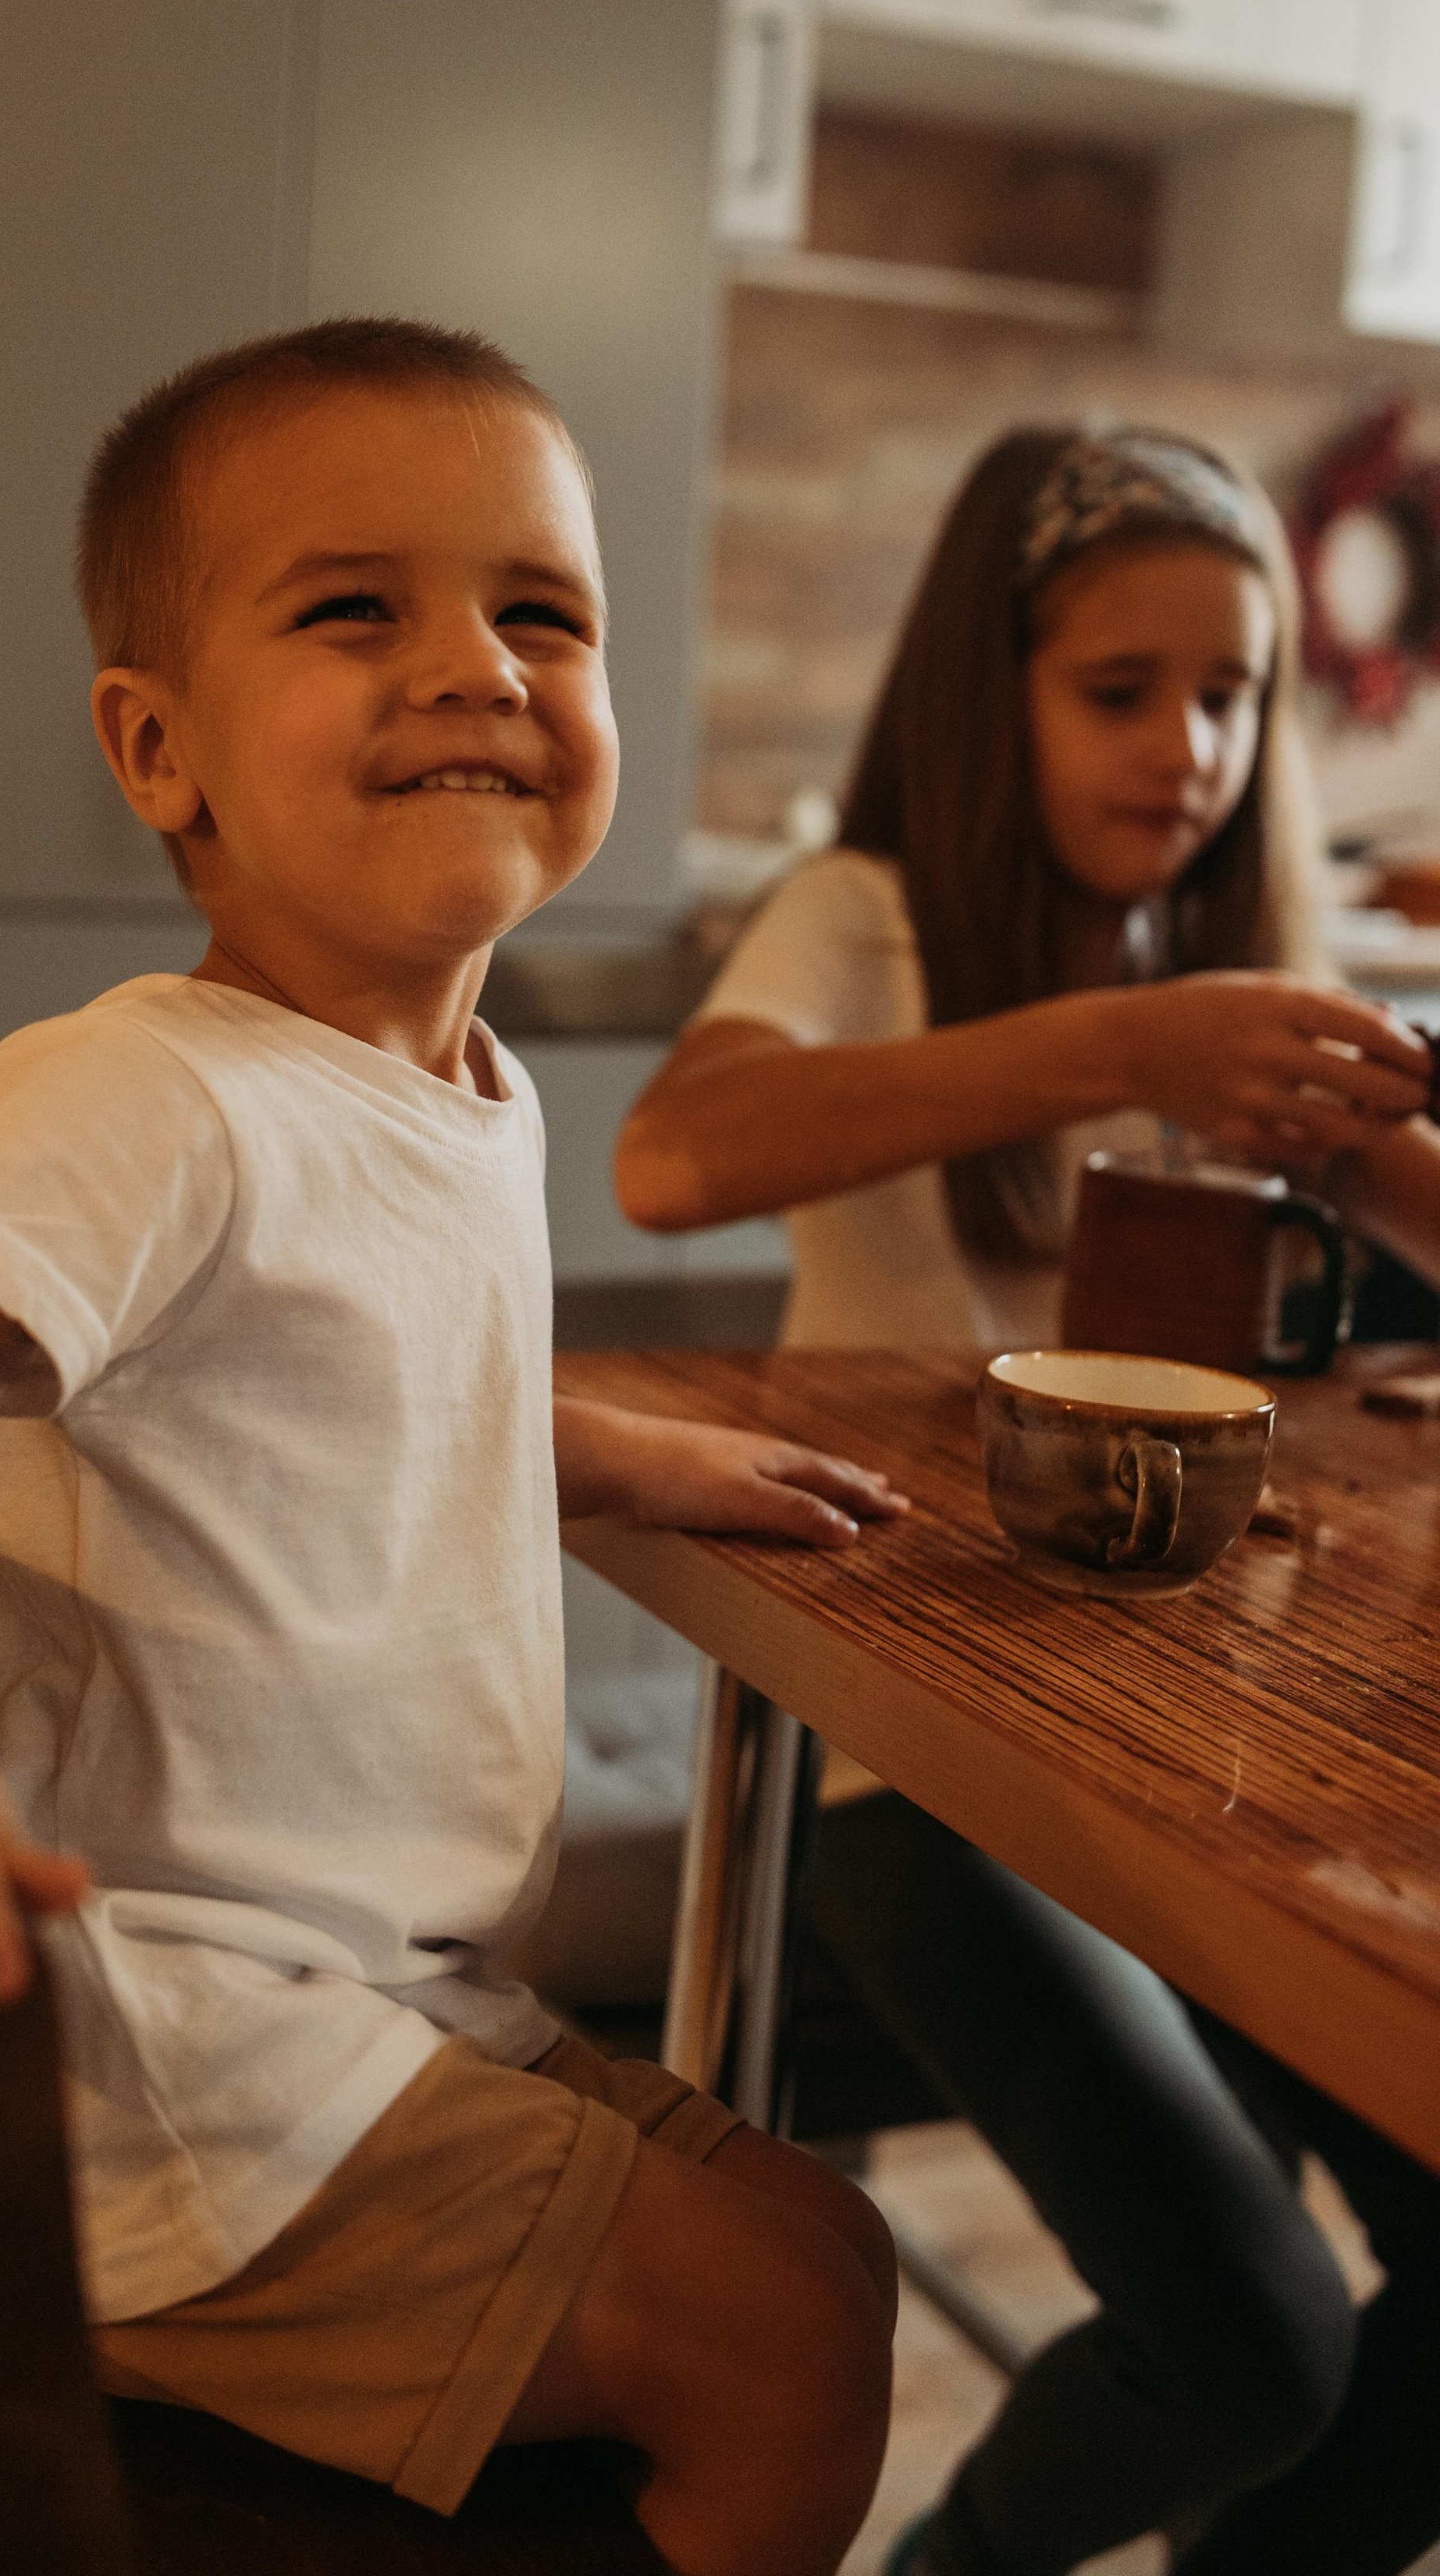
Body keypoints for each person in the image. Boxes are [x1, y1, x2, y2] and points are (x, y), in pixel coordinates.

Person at [0, 318, 908, 2576]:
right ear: (159, 747)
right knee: (786, 2338)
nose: (476, 667)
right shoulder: (156, 1088)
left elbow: (340, 1388)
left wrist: (604, 1452)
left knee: (819, 2233)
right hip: (169, 2064)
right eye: (355, 609)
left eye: (544, 609)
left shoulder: (459, 1094)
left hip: (387, 2000)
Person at [617, 425, 1440, 2576]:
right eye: (1120, 690)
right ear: (992, 696)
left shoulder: (1241, 950)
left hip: (1223, 1762)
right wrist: (1123, 1044)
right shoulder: (869, 915)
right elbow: (675, 1160)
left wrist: (1358, 1131)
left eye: (1235, 695)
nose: (1189, 743)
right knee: (1254, 2344)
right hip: (920, 1770)